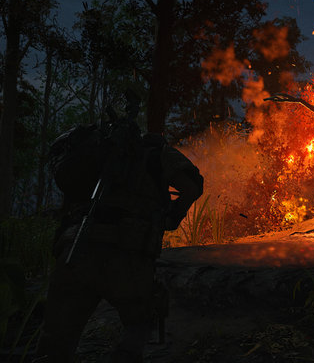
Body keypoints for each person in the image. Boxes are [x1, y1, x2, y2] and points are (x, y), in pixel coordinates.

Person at [34, 97, 203, 363]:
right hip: (127, 252)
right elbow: (192, 187)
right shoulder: (153, 151)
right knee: (140, 321)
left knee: (55, 344)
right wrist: (171, 217)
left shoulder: (94, 154)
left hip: (75, 247)